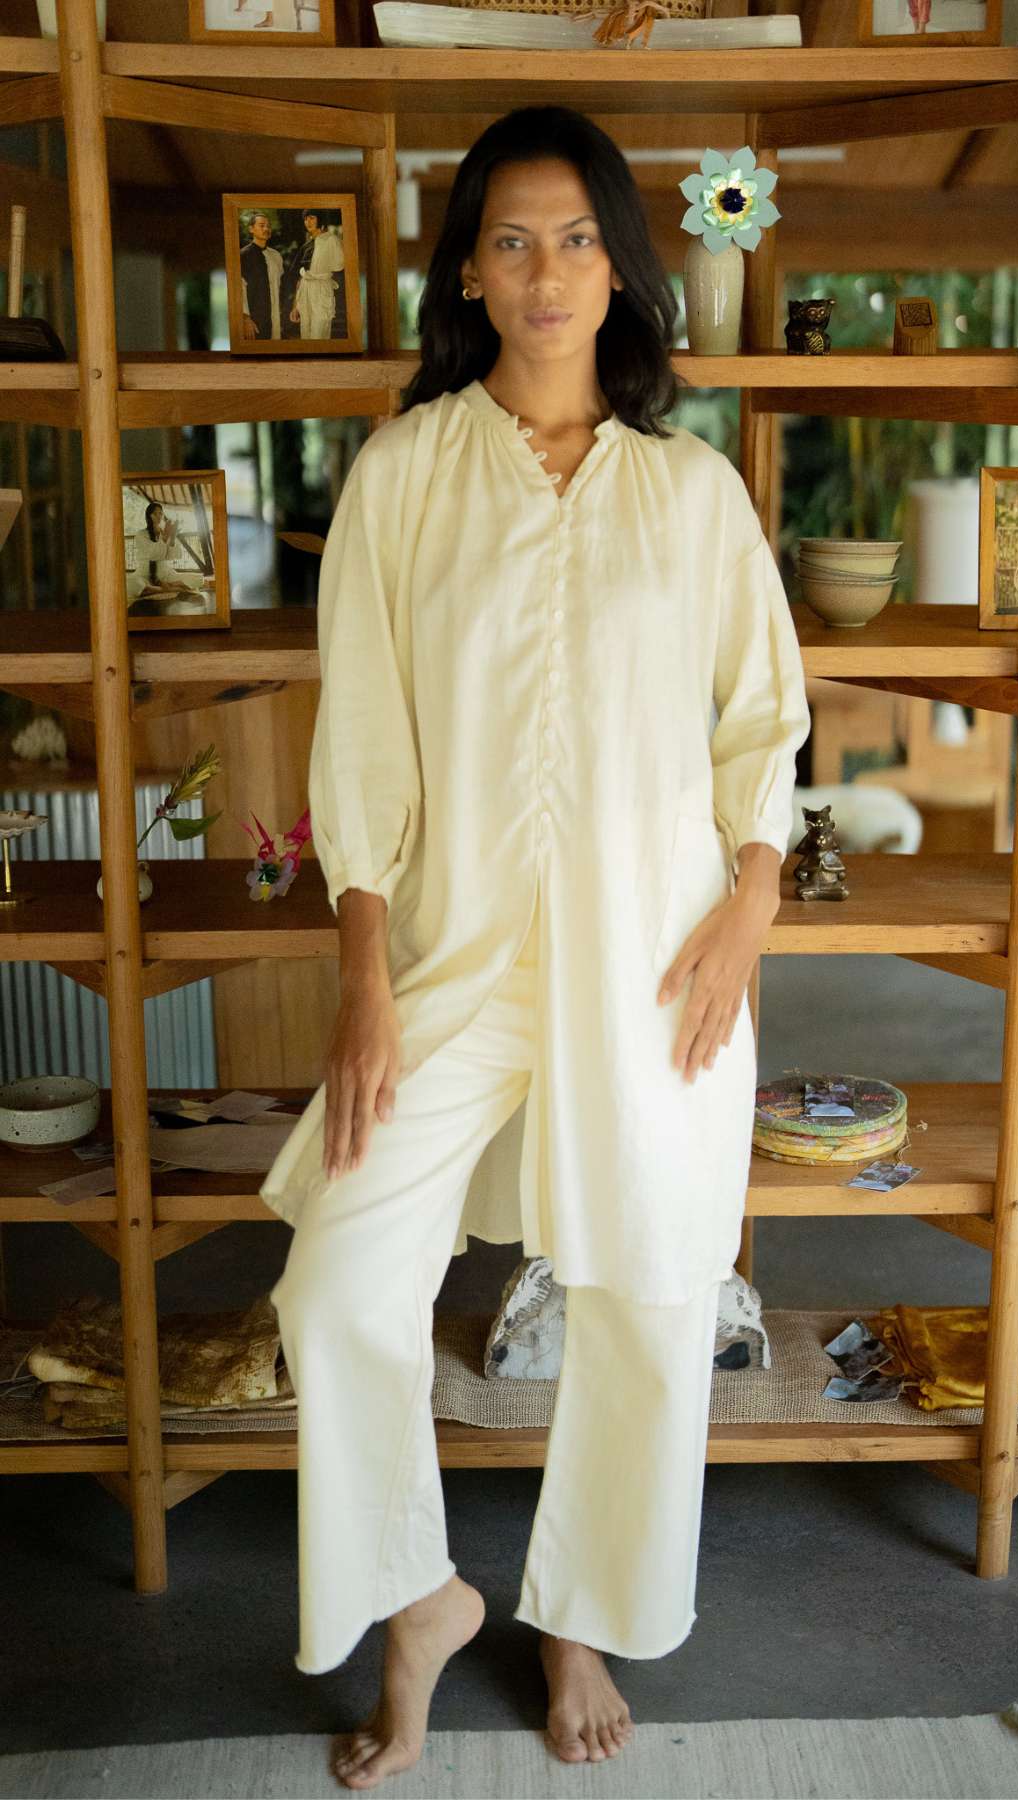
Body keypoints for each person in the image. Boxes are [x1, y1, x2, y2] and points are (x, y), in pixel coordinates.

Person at [261, 104, 810, 1790]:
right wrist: (363, 972)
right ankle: (418, 1597)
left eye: (577, 237)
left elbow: (760, 724)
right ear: (471, 274)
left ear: (622, 268)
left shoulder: (690, 490)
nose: (547, 269)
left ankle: (581, 1619)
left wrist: (753, 899)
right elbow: (360, 742)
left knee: (649, 1294)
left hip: (656, 961)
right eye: (512, 238)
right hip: (452, 962)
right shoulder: (407, 476)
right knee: (341, 1279)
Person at [125, 500, 208, 612]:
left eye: (161, 513)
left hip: (166, 574)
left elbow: (173, 555)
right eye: (156, 513)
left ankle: (168, 586)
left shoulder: (165, 532)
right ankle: (166, 589)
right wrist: (164, 539)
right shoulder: (141, 535)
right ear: (149, 515)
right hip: (145, 574)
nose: (159, 516)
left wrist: (172, 537)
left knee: (199, 579)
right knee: (129, 583)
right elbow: (152, 555)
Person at [290, 209, 345, 339]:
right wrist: (295, 306)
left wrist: (321, 271)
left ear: (320, 219)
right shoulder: (306, 246)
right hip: (304, 292)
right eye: (305, 219)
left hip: (321, 291)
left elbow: (339, 265)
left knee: (319, 335)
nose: (307, 222)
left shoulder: (331, 240)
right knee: (305, 336)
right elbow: (300, 277)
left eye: (311, 218)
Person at [239, 211, 284, 342]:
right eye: (262, 225)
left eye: (268, 226)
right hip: (254, 320)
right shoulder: (243, 256)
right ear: (251, 229)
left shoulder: (276, 256)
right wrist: (245, 318)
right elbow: (239, 288)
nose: (266, 229)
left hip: (275, 317)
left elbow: (279, 287)